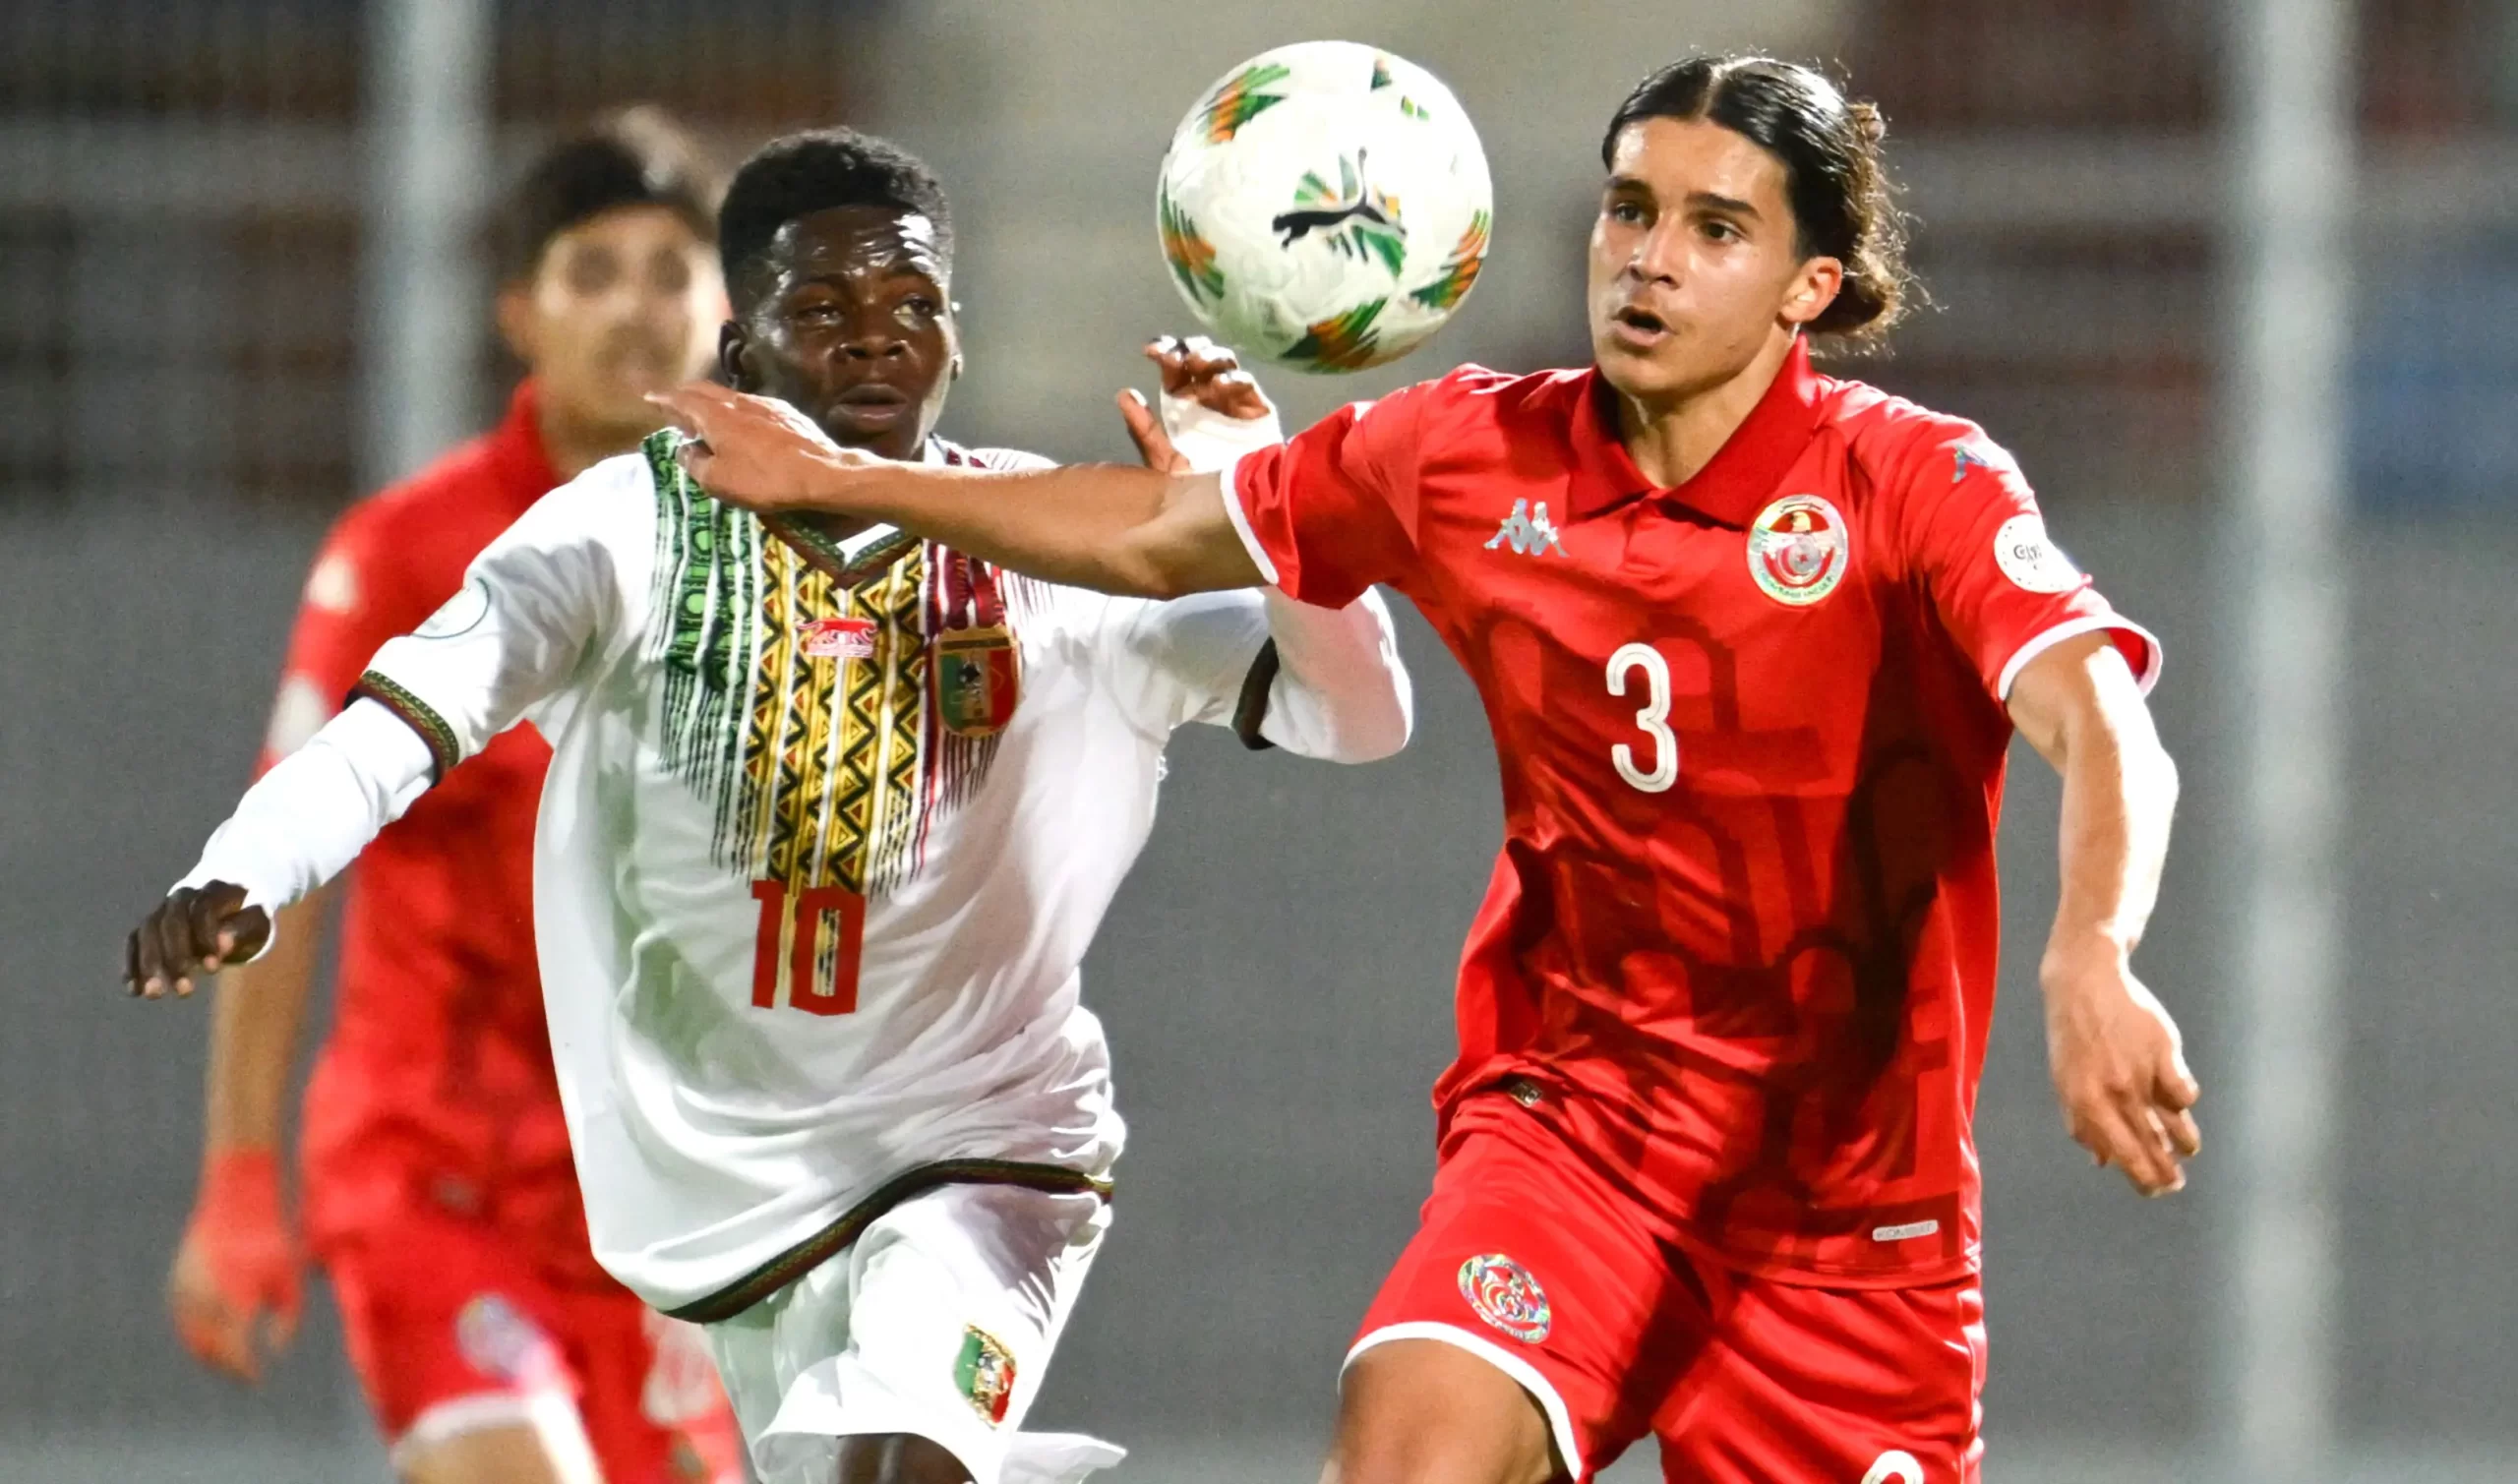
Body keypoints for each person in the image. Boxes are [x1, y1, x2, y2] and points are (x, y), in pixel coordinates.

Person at [646, 57, 2200, 1484]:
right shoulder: (1467, 453)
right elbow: (1156, 532)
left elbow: (2097, 715)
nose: (1648, 258)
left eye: (1715, 228)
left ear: (1812, 285)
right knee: (1409, 1449)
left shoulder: (1912, 481)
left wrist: (2094, 949)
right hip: (1576, 1141)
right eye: (1630, 208)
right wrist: (854, 482)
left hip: (1849, 1226)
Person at [126, 127, 1412, 1484]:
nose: (874, 338)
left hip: (985, 1154)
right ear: (741, 348)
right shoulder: (620, 531)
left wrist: (1272, 511)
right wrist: (247, 868)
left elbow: (1358, 715)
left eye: (910, 304)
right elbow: (396, 726)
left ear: (956, 341)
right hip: (714, 1195)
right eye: (823, 308)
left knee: (898, 1461)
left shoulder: (1058, 551)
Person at [163, 110, 744, 1484]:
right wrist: (239, 1176)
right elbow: (284, 862)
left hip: (656, 1218)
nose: (638, 309)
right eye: (592, 271)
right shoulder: (412, 555)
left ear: (728, 310)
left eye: (672, 271)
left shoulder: (777, 561)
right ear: (519, 314)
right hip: (437, 1183)